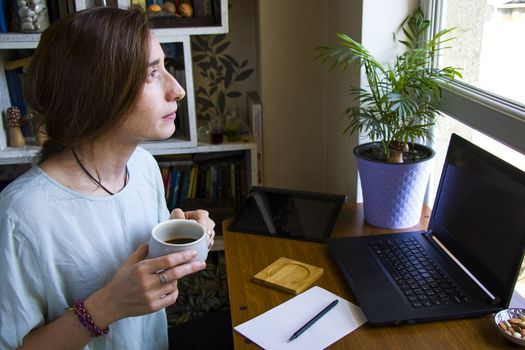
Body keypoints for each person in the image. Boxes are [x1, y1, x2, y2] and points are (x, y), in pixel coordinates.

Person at [0, 7, 225, 349]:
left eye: (166, 67)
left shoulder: (145, 167)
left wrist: (192, 237)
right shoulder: (20, 216)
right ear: (96, 91)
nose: (177, 89)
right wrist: (108, 306)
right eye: (152, 74)